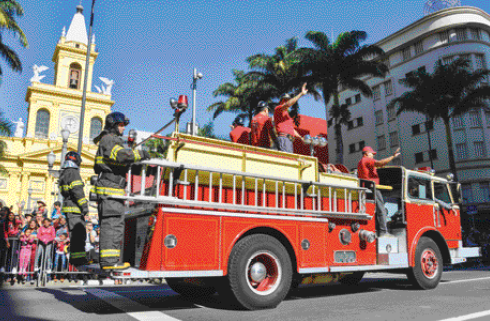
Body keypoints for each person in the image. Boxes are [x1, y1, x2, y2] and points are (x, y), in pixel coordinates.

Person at [92, 111, 150, 270]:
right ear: (113, 125)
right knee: (112, 224)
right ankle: (110, 262)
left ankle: (111, 261)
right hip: (110, 189)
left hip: (113, 188)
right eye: (121, 125)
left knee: (115, 224)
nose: (124, 128)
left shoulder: (109, 140)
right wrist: (139, 154)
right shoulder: (109, 140)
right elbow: (120, 156)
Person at [357, 146, 401, 237]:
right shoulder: (366, 160)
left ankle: (378, 229)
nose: (373, 155)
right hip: (372, 188)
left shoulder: (361, 162)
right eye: (371, 154)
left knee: (375, 210)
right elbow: (380, 163)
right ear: (365, 153)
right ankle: (383, 232)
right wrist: (393, 156)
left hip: (367, 188)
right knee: (382, 210)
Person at [58, 151, 89, 267]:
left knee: (75, 236)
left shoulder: (64, 173)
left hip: (69, 210)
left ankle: (77, 259)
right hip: (75, 209)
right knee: (79, 235)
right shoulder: (73, 173)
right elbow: (77, 191)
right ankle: (79, 260)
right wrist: (84, 206)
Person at [274, 83, 308, 153]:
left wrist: (301, 137)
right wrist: (301, 94)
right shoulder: (278, 109)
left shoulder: (287, 116)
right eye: (285, 100)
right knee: (286, 160)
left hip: (288, 140)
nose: (287, 101)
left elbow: (292, 130)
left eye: (288, 100)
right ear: (280, 101)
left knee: (289, 160)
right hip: (284, 138)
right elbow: (287, 105)